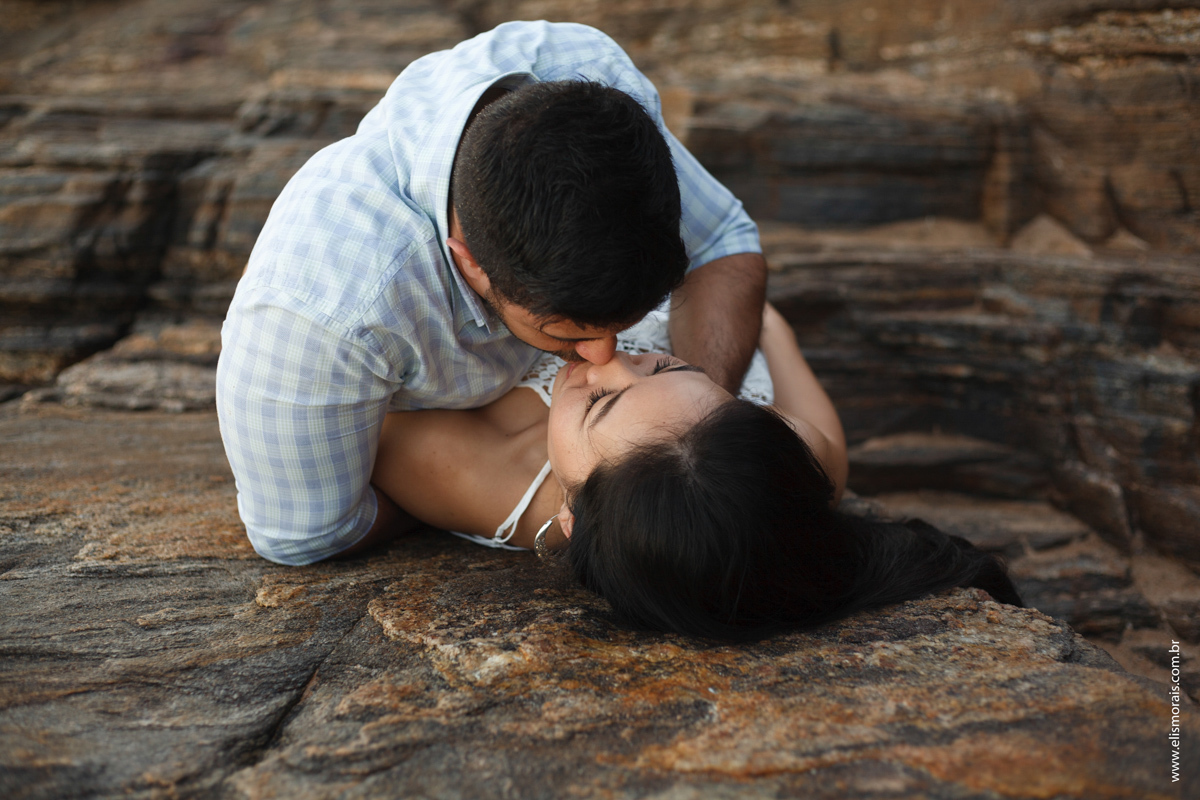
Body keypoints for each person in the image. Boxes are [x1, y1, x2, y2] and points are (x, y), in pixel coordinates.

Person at [216, 21, 767, 565]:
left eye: (627, 321)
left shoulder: (591, 87)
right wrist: (470, 502)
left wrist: (681, 446)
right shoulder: (324, 315)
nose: (608, 356)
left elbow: (719, 239)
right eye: (563, 331)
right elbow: (303, 534)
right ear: (471, 265)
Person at [373, 303, 1023, 641]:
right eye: (668, 366)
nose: (613, 356)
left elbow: (334, 400)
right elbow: (775, 335)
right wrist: (750, 326)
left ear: (574, 519)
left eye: (600, 403)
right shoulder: (797, 457)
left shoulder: (465, 470)